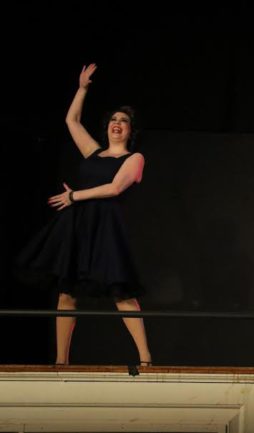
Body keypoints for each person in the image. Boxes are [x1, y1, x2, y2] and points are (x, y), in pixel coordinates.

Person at [16, 64, 152, 366]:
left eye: (124, 121)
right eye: (114, 120)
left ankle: (145, 359)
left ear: (130, 131)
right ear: (107, 127)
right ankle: (61, 361)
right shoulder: (92, 151)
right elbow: (72, 120)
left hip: (106, 227)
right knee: (67, 293)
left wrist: (74, 195)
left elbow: (115, 188)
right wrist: (82, 89)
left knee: (121, 292)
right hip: (79, 226)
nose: (117, 123)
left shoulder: (134, 158)